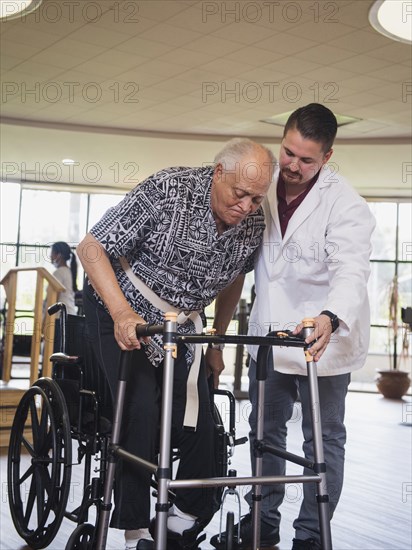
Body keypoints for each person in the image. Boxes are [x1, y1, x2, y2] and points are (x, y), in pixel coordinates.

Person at [76, 138, 276, 550]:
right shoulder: (169, 190)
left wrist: (217, 340)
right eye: (240, 194)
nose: (246, 207)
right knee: (142, 408)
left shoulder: (253, 222)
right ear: (218, 172)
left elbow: (235, 275)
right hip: (119, 308)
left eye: (257, 199)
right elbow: (91, 247)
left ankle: (184, 517)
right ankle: (135, 531)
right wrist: (121, 313)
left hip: (181, 330)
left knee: (201, 420)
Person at [211, 104, 375, 550]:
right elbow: (239, 264)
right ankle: (261, 524)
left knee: (323, 442)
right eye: (288, 152)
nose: (293, 166)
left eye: (307, 159)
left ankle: (310, 534)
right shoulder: (260, 186)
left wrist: (329, 315)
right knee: (264, 435)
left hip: (324, 338)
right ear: (281, 139)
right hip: (267, 335)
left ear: (327, 156)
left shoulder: (346, 204)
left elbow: (350, 271)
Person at [47, 241, 78, 315]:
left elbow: (54, 299)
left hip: (60, 316)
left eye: (52, 253)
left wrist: (45, 321)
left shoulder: (59, 272)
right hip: (69, 314)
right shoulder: (67, 270)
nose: (50, 256)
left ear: (58, 255)